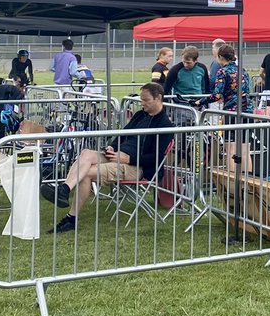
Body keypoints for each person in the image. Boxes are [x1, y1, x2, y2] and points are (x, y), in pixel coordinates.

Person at [41, 82, 172, 233]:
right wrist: (112, 147)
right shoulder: (140, 115)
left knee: (85, 174)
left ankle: (71, 218)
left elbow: (156, 158)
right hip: (117, 155)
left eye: (146, 100)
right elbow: (122, 135)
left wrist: (129, 160)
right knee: (85, 153)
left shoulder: (165, 125)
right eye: (141, 99)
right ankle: (64, 190)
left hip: (136, 166)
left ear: (158, 98)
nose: (142, 103)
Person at [210, 44, 251, 113]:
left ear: (220, 57)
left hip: (232, 109)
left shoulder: (222, 72)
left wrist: (201, 101)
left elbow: (217, 95)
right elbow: (247, 89)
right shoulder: (242, 70)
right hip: (247, 108)